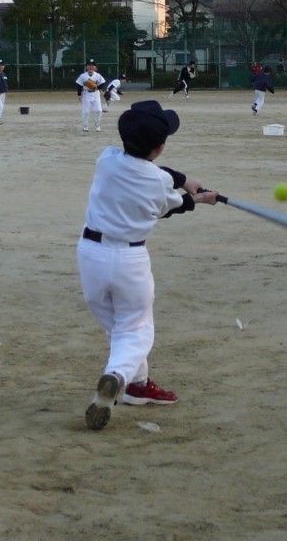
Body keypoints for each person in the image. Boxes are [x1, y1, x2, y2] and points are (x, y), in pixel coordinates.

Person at [79, 100, 218, 430]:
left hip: (90, 254)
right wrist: (199, 197)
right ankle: (118, 377)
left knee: (119, 328)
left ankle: (138, 386)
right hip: (129, 261)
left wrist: (184, 179)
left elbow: (159, 176)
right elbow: (175, 204)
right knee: (137, 329)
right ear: (160, 147)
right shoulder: (156, 183)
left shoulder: (107, 159)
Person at [75, 59, 106, 132]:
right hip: (86, 94)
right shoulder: (83, 76)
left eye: (92, 65)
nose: (91, 67)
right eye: (89, 65)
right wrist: (79, 95)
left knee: (99, 110)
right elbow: (79, 85)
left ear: (95, 67)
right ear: (86, 67)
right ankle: (85, 126)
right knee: (85, 111)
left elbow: (103, 83)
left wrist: (97, 87)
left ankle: (97, 125)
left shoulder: (98, 76)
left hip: (96, 94)